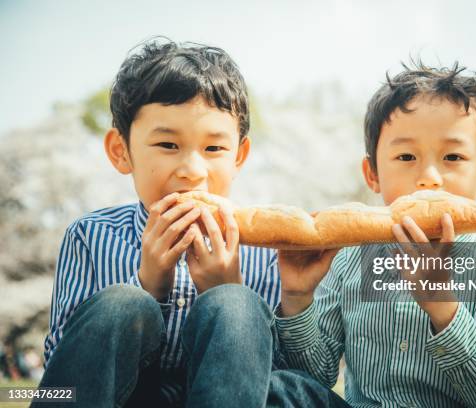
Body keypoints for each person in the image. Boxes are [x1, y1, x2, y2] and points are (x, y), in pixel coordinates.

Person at [209, 62, 476, 407]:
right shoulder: (346, 261)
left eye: (453, 157)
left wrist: (443, 308)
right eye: (406, 156)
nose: (429, 177)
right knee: (280, 388)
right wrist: (297, 296)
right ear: (373, 174)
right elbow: (315, 375)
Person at [36, 38, 310, 407]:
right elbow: (63, 372)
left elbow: (284, 382)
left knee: (235, 303)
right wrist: (148, 286)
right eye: (167, 145)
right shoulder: (91, 236)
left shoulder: (267, 251)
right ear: (121, 152)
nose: (192, 171)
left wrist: (226, 291)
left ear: (239, 156)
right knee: (122, 302)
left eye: (214, 149)